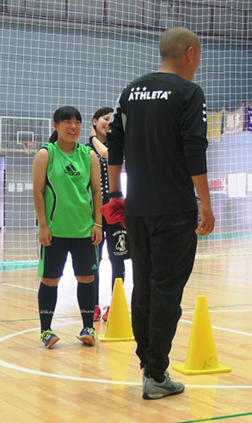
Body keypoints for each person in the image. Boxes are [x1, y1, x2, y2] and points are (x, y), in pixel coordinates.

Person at [107, 27, 215, 400]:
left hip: (136, 209)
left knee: (144, 287)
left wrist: (117, 193)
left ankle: (148, 365)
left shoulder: (131, 91)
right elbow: (193, 149)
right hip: (174, 209)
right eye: (198, 56)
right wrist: (205, 201)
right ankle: (156, 373)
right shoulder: (188, 92)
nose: (198, 63)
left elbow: (114, 145)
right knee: (167, 290)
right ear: (189, 53)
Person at [32, 106, 103, 348]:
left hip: (85, 230)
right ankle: (45, 331)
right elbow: (38, 192)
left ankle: (88, 329)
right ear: (56, 125)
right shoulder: (46, 154)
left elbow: (96, 191)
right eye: (66, 122)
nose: (72, 127)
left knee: (86, 278)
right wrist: (43, 225)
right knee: (51, 280)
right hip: (54, 231)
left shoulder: (88, 155)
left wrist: (98, 223)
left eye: (76, 122)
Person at [87, 107, 130, 323]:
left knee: (118, 258)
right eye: (105, 119)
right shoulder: (84, 149)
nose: (109, 122)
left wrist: (94, 138)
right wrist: (91, 140)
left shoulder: (117, 144)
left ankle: (116, 304)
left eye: (112, 119)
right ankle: (92, 305)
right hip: (92, 213)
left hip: (114, 210)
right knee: (93, 260)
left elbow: (107, 153)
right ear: (94, 121)